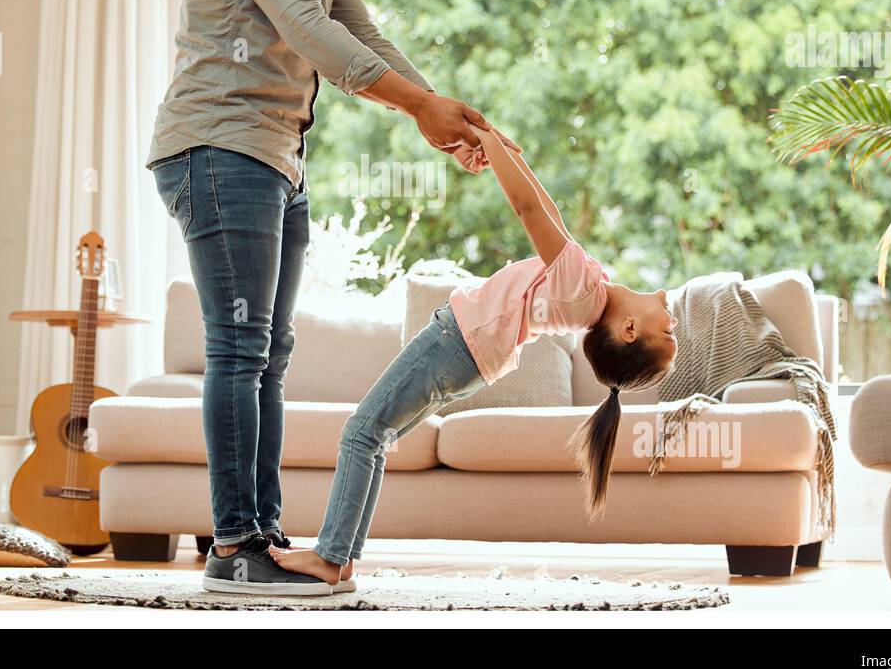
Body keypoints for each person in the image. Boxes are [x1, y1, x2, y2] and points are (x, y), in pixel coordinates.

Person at [147, 0, 515, 595]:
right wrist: (418, 106)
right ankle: (232, 545)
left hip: (276, 158)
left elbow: (359, 29)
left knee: (269, 356)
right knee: (239, 350)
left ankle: (262, 538)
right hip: (219, 147)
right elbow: (308, 31)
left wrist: (443, 113)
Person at [268, 123, 679, 589]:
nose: (669, 307)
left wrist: (487, 143)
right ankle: (339, 561)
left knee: (360, 434)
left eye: (667, 328)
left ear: (628, 331)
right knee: (373, 438)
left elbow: (528, 211)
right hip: (466, 358)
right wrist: (501, 149)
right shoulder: (589, 287)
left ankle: (329, 558)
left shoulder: (581, 290)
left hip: (456, 343)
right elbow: (548, 211)